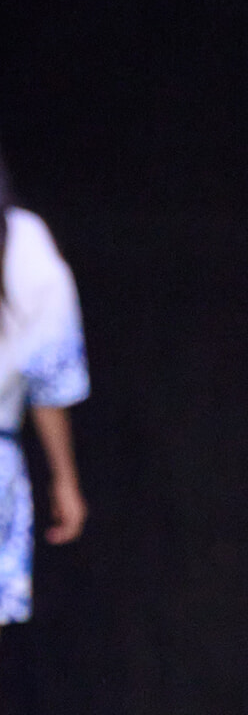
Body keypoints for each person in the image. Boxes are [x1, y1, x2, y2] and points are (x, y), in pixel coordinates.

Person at [0, 149, 89, 636]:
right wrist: (64, 480)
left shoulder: (22, 243)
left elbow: (49, 371)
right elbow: (51, 374)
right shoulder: (24, 242)